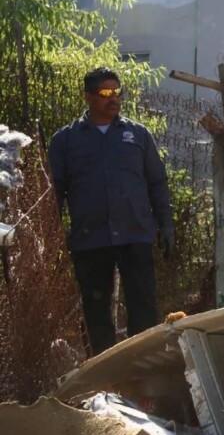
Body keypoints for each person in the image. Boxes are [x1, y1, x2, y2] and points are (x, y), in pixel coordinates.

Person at [50, 67, 174, 355]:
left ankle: (142, 373)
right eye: (106, 93)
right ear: (88, 97)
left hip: (136, 234)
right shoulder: (66, 141)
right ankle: (105, 377)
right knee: (96, 311)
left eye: (117, 91)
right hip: (91, 238)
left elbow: (156, 182)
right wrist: (53, 240)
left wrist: (165, 225)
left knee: (143, 307)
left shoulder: (138, 135)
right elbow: (55, 192)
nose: (114, 98)